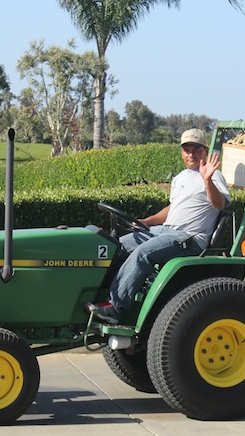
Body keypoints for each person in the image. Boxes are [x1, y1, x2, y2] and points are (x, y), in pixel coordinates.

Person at [87, 128, 231, 323]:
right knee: (117, 245)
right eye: (187, 149)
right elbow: (172, 209)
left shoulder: (213, 176)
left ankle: (115, 306)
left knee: (143, 253)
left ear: (205, 150)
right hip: (165, 231)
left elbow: (219, 204)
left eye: (196, 149)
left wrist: (207, 180)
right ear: (181, 153)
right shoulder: (180, 178)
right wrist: (145, 222)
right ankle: (100, 298)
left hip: (189, 237)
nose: (191, 154)